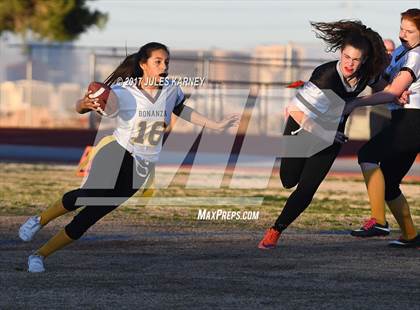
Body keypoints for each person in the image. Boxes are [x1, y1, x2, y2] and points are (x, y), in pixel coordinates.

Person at [18, 42, 239, 272]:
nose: (164, 66)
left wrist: (215, 125)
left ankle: (39, 255)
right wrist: (83, 104)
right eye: (158, 61)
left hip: (143, 166)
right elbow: (83, 107)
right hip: (118, 151)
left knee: (90, 216)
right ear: (143, 65)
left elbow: (181, 109)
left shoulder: (172, 89)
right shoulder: (124, 91)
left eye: (166, 62)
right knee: (89, 195)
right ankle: (39, 220)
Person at [258, 20, 389, 249]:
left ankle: (275, 231)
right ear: (340, 53)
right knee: (288, 180)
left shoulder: (366, 73)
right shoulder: (325, 76)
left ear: (364, 60)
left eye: (356, 59)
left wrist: (399, 93)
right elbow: (297, 112)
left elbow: (383, 88)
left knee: (307, 188)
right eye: (347, 57)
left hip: (332, 136)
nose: (350, 63)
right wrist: (325, 131)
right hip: (301, 128)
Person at [346, 9, 420, 248]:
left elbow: (391, 91)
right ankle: (410, 236)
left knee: (367, 155)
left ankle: (378, 221)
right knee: (388, 182)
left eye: (409, 31)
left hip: (413, 121)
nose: (402, 35)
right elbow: (385, 84)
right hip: (403, 118)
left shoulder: (416, 55)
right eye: (401, 28)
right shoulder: (401, 52)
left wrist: (356, 103)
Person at [369, 39, 395, 138]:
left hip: (395, 111)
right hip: (378, 110)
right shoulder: (374, 67)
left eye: (391, 50)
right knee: (375, 142)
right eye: (385, 50)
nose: (389, 53)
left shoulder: (400, 67)